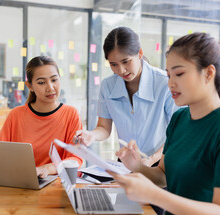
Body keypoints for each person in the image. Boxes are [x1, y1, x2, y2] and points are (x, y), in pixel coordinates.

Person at [109, 32, 220, 215]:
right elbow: (163, 176)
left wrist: (154, 195)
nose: (170, 84)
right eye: (168, 75)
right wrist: (137, 166)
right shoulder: (180, 119)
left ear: (208, 73)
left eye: (179, 74)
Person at [75, 26, 179, 166]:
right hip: (126, 163)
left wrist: (152, 159)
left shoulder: (164, 83)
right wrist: (91, 135)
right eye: (113, 64)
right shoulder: (108, 86)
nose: (121, 70)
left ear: (140, 53)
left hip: (160, 162)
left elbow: (177, 132)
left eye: (126, 61)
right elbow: (104, 128)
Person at [0, 56, 83, 178]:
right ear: (30, 86)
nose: (50, 88)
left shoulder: (71, 114)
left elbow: (75, 158)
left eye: (54, 80)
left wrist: (47, 168)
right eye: (41, 82)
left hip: (57, 184)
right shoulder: (16, 115)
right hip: (21, 182)